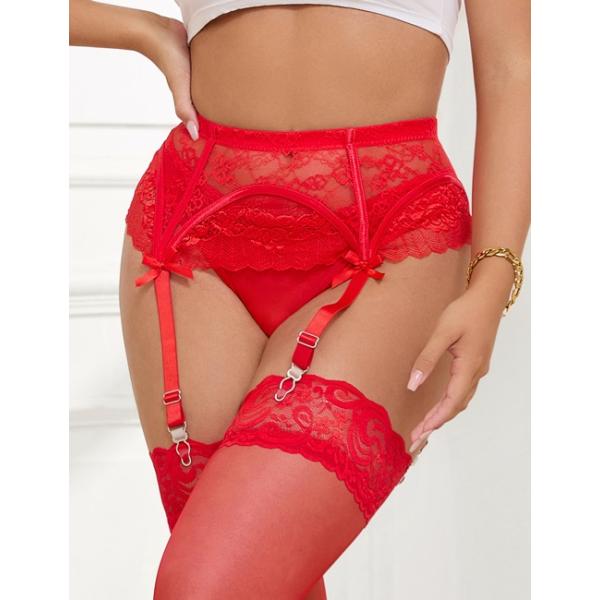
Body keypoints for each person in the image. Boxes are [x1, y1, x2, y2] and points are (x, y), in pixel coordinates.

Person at [70, 0, 530, 597]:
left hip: (391, 241)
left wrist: (494, 275)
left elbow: (512, 68)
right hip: (192, 239)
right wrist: (143, 29)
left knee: (207, 585)